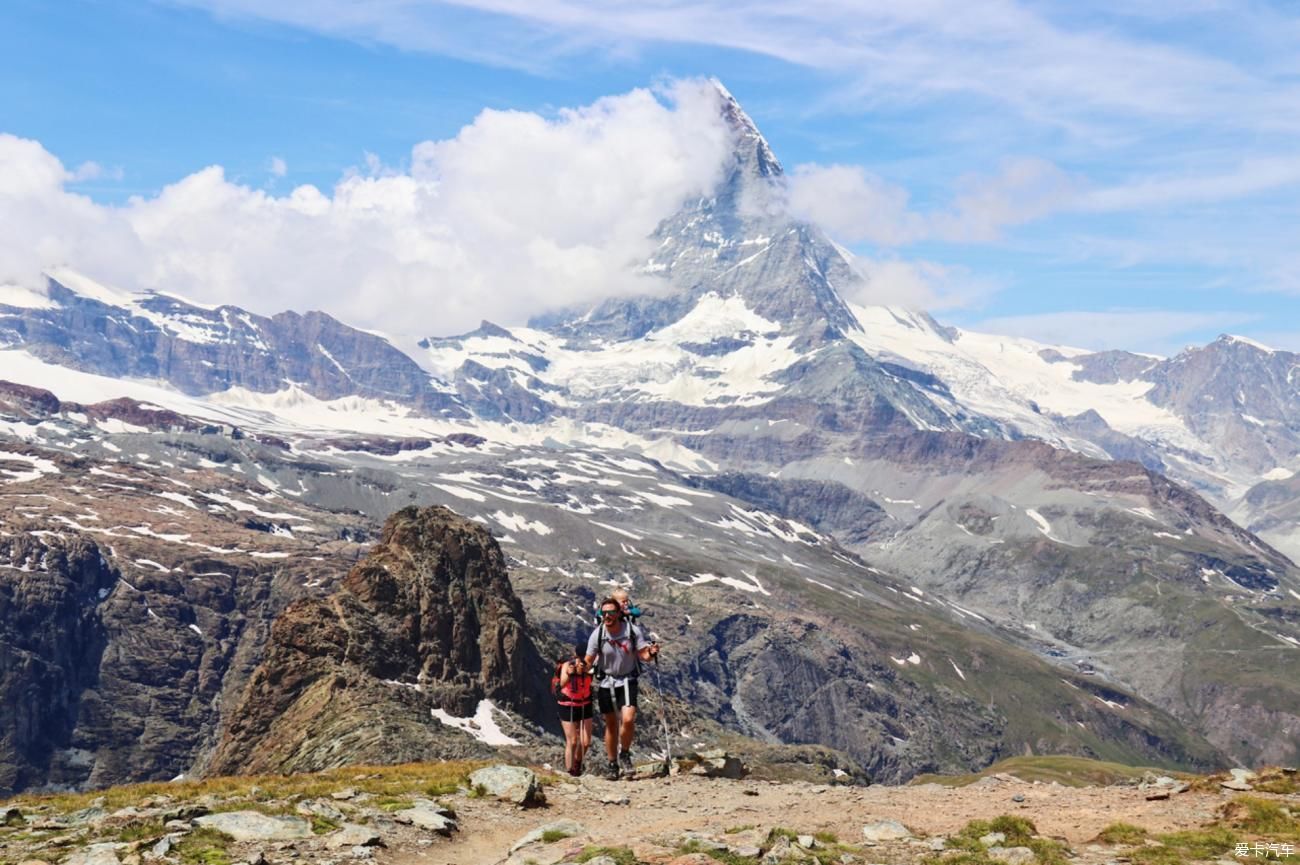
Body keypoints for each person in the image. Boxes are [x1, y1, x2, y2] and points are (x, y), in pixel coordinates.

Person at [585, 596, 660, 779]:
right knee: (611, 725)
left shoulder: (632, 631)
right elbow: (588, 660)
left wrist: (650, 653)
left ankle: (624, 754)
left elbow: (643, 655)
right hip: (606, 682)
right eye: (604, 613)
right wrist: (578, 670)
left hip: (627, 680)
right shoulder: (598, 634)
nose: (607, 616)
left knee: (627, 719)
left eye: (611, 612)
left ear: (619, 613)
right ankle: (612, 764)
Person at [554, 644, 594, 776]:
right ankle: (570, 771)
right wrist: (571, 674)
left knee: (586, 742)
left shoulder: (590, 665)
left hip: (585, 703)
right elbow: (561, 684)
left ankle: (577, 762)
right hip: (567, 703)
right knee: (572, 741)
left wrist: (586, 670)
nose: (583, 660)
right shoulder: (568, 664)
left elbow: (596, 675)